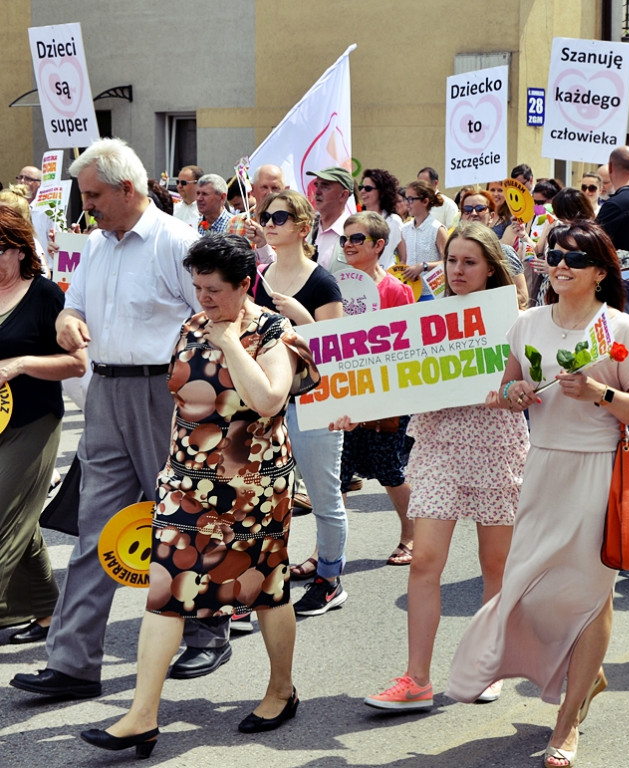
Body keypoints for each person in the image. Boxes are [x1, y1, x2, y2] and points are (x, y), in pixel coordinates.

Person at [77, 233, 318, 758]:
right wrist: (170, 469)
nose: (203, 298)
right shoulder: (191, 325)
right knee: (164, 592)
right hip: (188, 484)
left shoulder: (274, 332)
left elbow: (270, 399)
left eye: (213, 289)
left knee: (266, 588)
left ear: (243, 285)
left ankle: (281, 690)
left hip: (251, 488)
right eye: (197, 287)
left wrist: (231, 341)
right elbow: (184, 402)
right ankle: (142, 716)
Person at [9, 139, 230, 700]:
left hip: (167, 393)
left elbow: (215, 315)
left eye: (93, 195)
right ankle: (74, 662)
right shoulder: (99, 246)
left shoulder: (176, 243)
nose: (86, 208)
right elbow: (74, 304)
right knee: (95, 528)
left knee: (184, 517)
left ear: (127, 189)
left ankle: (208, 630)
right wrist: (67, 320)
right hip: (106, 391)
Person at [447, 220, 629, 768]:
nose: (560, 264)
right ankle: (586, 675)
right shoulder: (525, 324)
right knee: (532, 587)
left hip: (599, 471)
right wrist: (513, 392)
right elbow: (504, 392)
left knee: (592, 594)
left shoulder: (620, 329)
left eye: (574, 257)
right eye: (554, 255)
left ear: (599, 272)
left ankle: (566, 725)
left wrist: (601, 392)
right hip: (540, 469)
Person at [363, 223, 529, 711]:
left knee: (495, 567)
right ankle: (416, 678)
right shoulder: (423, 315)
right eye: (452, 260)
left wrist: (512, 394)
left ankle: (490, 665)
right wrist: (348, 407)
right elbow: (386, 380)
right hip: (437, 447)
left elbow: (528, 391)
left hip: (497, 447)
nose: (457, 270)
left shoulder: (514, 322)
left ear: (491, 268)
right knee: (424, 561)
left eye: (469, 262)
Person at [250, 190, 347, 615]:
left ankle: (330, 579)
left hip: (313, 400)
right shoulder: (259, 275)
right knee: (265, 495)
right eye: (265, 215)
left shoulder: (322, 281)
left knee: (323, 496)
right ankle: (262, 575)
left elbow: (338, 352)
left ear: (303, 227)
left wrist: (300, 319)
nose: (269, 222)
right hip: (267, 399)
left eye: (280, 216)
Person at [0, 208, 86, 644]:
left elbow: (76, 363)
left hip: (35, 421)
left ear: (19, 249)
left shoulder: (46, 295)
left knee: (2, 516)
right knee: (20, 517)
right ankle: (47, 611)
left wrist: (21, 364)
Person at [328, 212, 417, 565]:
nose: (348, 245)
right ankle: (328, 551)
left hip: (384, 396)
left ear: (379, 246)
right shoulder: (333, 286)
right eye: (344, 239)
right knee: (337, 473)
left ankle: (410, 537)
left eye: (357, 239)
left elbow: (407, 344)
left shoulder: (396, 290)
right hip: (343, 393)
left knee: (390, 470)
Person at [457, 188, 529, 307]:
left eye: (480, 209)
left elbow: (523, 297)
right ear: (462, 216)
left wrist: (485, 300)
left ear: (491, 216)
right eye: (468, 210)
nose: (474, 213)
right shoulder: (454, 253)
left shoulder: (505, 252)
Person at [227, 163, 285, 265]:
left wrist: (263, 244)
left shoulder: (291, 225)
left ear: (285, 191)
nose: (269, 193)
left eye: (275, 188)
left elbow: (289, 268)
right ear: (252, 190)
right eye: (264, 187)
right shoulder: (235, 223)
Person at [306, 166, 355, 268]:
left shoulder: (355, 235)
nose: (317, 191)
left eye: (325, 186)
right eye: (316, 185)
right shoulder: (306, 229)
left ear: (343, 195)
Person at [358, 168, 406, 269]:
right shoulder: (355, 220)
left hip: (385, 279)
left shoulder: (394, 221)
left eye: (368, 188)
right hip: (360, 279)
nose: (362, 191)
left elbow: (404, 258)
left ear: (382, 192)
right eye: (361, 187)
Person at [400, 179, 447, 280]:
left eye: (411, 199)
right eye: (406, 199)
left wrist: (424, 266)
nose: (407, 203)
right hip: (411, 289)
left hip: (432, 291)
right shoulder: (405, 229)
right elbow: (403, 260)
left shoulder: (437, 229)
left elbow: (448, 261)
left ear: (425, 201)